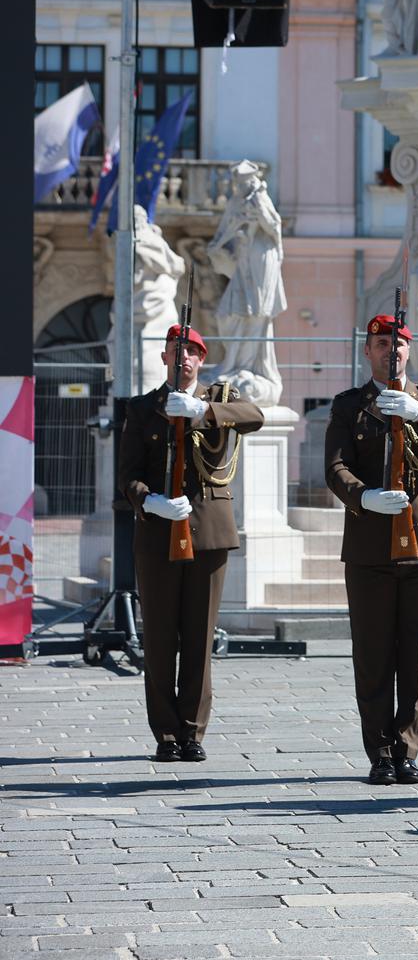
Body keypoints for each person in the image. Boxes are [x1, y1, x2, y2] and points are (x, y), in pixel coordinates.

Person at [325, 314, 418, 785]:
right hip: (370, 542)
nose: (392, 350)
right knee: (372, 654)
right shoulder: (350, 405)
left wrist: (417, 414)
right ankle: (380, 752)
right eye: (382, 342)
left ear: (410, 350)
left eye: (400, 343)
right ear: (366, 351)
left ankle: (407, 748)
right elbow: (335, 467)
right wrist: (363, 496)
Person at [118, 325, 265, 762]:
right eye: (175, 352)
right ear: (164, 358)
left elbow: (254, 416)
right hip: (159, 530)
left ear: (201, 360)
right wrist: (150, 501)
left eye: (192, 353)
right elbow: (127, 475)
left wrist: (203, 411)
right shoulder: (143, 409)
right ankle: (165, 733)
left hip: (209, 533)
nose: (183, 359)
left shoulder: (219, 398)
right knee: (161, 636)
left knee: (199, 637)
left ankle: (192, 731)